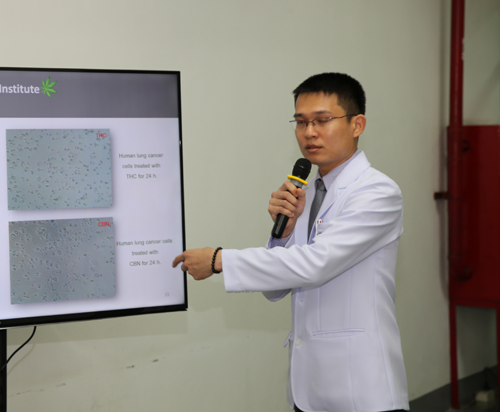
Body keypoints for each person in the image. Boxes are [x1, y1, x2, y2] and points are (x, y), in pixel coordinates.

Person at [172, 73, 408, 412]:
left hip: (361, 389)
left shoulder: (377, 192)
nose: (309, 132)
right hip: (308, 388)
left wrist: (219, 260)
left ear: (357, 124)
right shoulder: (307, 193)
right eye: (300, 122)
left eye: (322, 120)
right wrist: (282, 235)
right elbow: (277, 289)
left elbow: (315, 265)